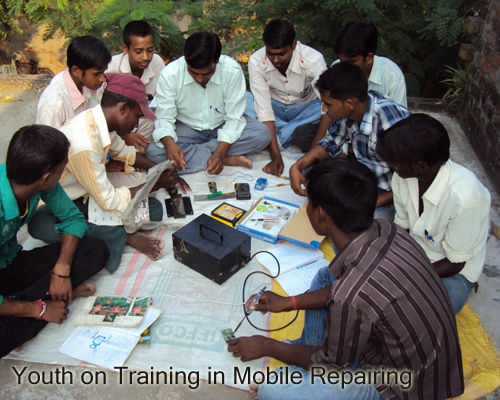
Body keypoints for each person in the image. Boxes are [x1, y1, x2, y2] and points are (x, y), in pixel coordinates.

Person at [228, 158, 464, 400]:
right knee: (325, 277)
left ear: (320, 215)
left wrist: (266, 346)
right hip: (400, 351)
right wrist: (289, 302)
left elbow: (330, 364)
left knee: (272, 392)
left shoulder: (350, 296)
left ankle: (301, 369)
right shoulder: (387, 228)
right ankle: (305, 363)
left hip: (403, 385)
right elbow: (349, 292)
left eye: (308, 203)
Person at [29, 73, 189, 274]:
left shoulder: (101, 123)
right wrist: (156, 183)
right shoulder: (85, 143)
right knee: (39, 224)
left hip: (90, 198)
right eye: (137, 117)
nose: (136, 125)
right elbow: (109, 202)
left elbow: (127, 154)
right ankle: (126, 236)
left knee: (154, 209)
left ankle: (112, 231)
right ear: (123, 109)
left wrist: (160, 168)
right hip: (64, 205)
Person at [0, 125, 110, 358]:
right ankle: (40, 304)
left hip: (9, 264)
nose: (62, 174)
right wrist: (39, 310)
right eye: (62, 170)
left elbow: (72, 219)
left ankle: (20, 309)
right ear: (47, 177)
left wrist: (61, 269)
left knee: (95, 249)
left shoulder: (34, 181)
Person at [375, 114, 491, 315]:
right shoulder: (403, 177)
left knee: (426, 317)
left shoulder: (465, 198)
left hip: (451, 270)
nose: (390, 165)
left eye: (394, 161)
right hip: (417, 253)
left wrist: (408, 276)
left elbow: (455, 263)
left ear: (419, 165)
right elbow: (403, 229)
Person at [289, 62, 411, 220]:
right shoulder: (346, 112)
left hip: (386, 190)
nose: (324, 109)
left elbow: (410, 181)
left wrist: (368, 204)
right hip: (359, 179)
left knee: (369, 223)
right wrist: (296, 166)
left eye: (328, 104)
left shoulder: (389, 120)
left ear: (350, 103)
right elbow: (330, 143)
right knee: (308, 171)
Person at [146, 32, 271, 175]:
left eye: (206, 73)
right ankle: (226, 159)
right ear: (186, 61)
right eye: (193, 73)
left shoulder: (232, 71)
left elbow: (234, 118)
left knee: (262, 134)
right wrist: (171, 146)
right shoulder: (170, 74)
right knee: (154, 152)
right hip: (187, 127)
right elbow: (164, 118)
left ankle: (206, 155)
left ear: (217, 61)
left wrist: (219, 152)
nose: (200, 79)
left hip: (221, 123)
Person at [292, 21, 407, 152]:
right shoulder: (338, 67)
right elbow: (329, 112)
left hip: (379, 140)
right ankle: (348, 151)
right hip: (345, 131)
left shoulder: (391, 75)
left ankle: (350, 152)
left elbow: (398, 125)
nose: (345, 66)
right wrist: (315, 149)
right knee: (303, 134)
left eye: (352, 62)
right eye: (341, 60)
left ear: (369, 57)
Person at [246, 19, 327, 175]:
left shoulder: (313, 60)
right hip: (274, 107)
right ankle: (284, 134)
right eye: (271, 54)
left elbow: (326, 105)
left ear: (294, 45)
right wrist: (275, 156)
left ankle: (272, 136)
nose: (276, 60)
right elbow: (264, 109)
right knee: (245, 101)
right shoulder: (256, 61)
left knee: (328, 110)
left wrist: (311, 156)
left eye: (282, 54)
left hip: (307, 109)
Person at [106, 20, 165, 154]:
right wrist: (125, 135)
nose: (145, 57)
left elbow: (162, 101)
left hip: (145, 122)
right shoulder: (111, 70)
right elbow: (103, 114)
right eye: (138, 51)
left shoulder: (157, 63)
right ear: (125, 48)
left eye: (150, 50)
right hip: (116, 129)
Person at [36, 36, 111, 129]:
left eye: (103, 72)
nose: (103, 79)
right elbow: (47, 138)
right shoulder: (54, 103)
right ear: (75, 71)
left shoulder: (82, 83)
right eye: (96, 74)